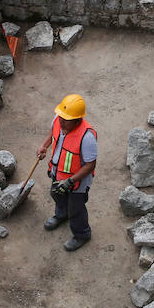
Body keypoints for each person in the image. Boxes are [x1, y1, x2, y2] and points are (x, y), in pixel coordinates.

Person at [37, 93, 98, 251]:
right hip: (58, 173)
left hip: (77, 182)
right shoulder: (59, 120)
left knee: (76, 208)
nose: (61, 121)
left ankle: (82, 234)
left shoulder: (87, 137)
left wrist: (70, 181)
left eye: (66, 120)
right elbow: (53, 133)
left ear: (78, 120)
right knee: (56, 194)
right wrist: (44, 146)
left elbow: (90, 165)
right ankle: (61, 215)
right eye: (61, 117)